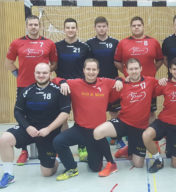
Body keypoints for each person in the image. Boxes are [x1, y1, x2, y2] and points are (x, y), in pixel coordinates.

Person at [0, 63, 70, 189]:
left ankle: (56, 159)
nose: (41, 75)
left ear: (50, 74)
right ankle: (8, 174)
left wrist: (48, 129)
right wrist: (28, 127)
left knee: (47, 173)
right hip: (30, 129)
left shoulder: (59, 91)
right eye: (38, 73)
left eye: (44, 73)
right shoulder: (26, 91)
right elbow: (17, 111)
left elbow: (65, 113)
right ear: (34, 73)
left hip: (49, 132)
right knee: (4, 139)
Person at [52, 58, 123, 180]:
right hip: (79, 130)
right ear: (83, 70)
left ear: (98, 71)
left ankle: (96, 156)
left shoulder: (105, 82)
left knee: (95, 168)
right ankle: (71, 168)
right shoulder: (74, 83)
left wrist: (120, 80)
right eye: (88, 69)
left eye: (94, 69)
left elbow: (122, 80)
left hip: (97, 133)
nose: (91, 72)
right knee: (58, 141)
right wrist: (63, 82)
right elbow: (54, 79)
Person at [5, 15, 58, 165]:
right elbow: (8, 63)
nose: (33, 27)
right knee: (23, 118)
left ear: (40, 26)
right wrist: (19, 74)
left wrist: (45, 73)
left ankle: (52, 147)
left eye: (36, 24)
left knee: (48, 115)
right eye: (31, 25)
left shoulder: (49, 43)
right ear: (26, 26)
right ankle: (24, 151)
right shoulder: (17, 43)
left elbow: (54, 64)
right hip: (23, 87)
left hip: (44, 86)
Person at [94, 58, 158, 168]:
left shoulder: (150, 81)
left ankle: (128, 150)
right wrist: (118, 79)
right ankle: (111, 162)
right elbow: (103, 86)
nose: (134, 71)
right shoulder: (122, 84)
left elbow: (168, 85)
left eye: (136, 68)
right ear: (126, 70)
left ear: (141, 69)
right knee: (98, 132)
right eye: (131, 69)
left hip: (140, 128)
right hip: (123, 122)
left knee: (138, 164)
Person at [114, 16, 164, 123]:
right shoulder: (123, 43)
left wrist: (153, 70)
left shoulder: (154, 42)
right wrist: (127, 72)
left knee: (151, 112)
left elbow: (160, 60)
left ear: (143, 26)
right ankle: (129, 133)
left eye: (139, 25)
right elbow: (117, 61)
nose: (136, 27)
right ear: (131, 28)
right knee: (129, 111)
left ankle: (151, 136)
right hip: (130, 85)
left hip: (149, 85)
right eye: (134, 26)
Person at [55, 18, 90, 162]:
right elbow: (53, 65)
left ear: (77, 29)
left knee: (81, 118)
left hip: (80, 87)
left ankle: (82, 146)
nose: (70, 30)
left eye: (73, 27)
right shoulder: (56, 46)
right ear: (64, 29)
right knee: (62, 118)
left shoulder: (84, 47)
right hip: (61, 86)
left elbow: (89, 67)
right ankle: (64, 146)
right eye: (68, 27)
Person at [86, 16, 123, 147]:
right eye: (99, 26)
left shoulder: (115, 42)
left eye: (103, 26)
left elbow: (120, 62)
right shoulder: (89, 44)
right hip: (96, 84)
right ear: (95, 28)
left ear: (107, 27)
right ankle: (99, 135)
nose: (101, 29)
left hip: (113, 83)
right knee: (98, 111)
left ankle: (117, 137)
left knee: (115, 112)